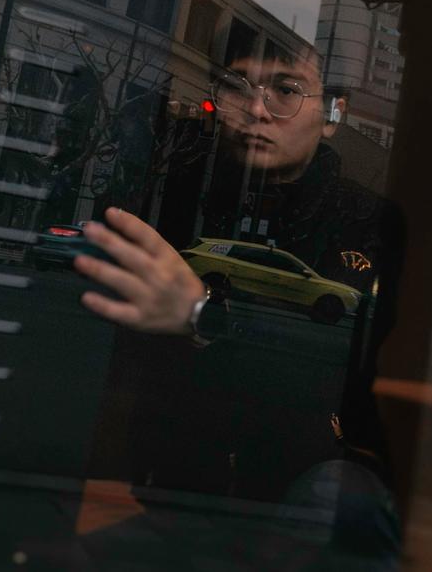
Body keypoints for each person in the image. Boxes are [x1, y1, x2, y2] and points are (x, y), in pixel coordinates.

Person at [72, 43, 401, 557]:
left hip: (300, 505)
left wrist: (202, 316)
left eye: (286, 90)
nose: (256, 109)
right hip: (170, 494)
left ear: (333, 115)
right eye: (235, 87)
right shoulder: (171, 191)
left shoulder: (371, 225)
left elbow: (354, 370)